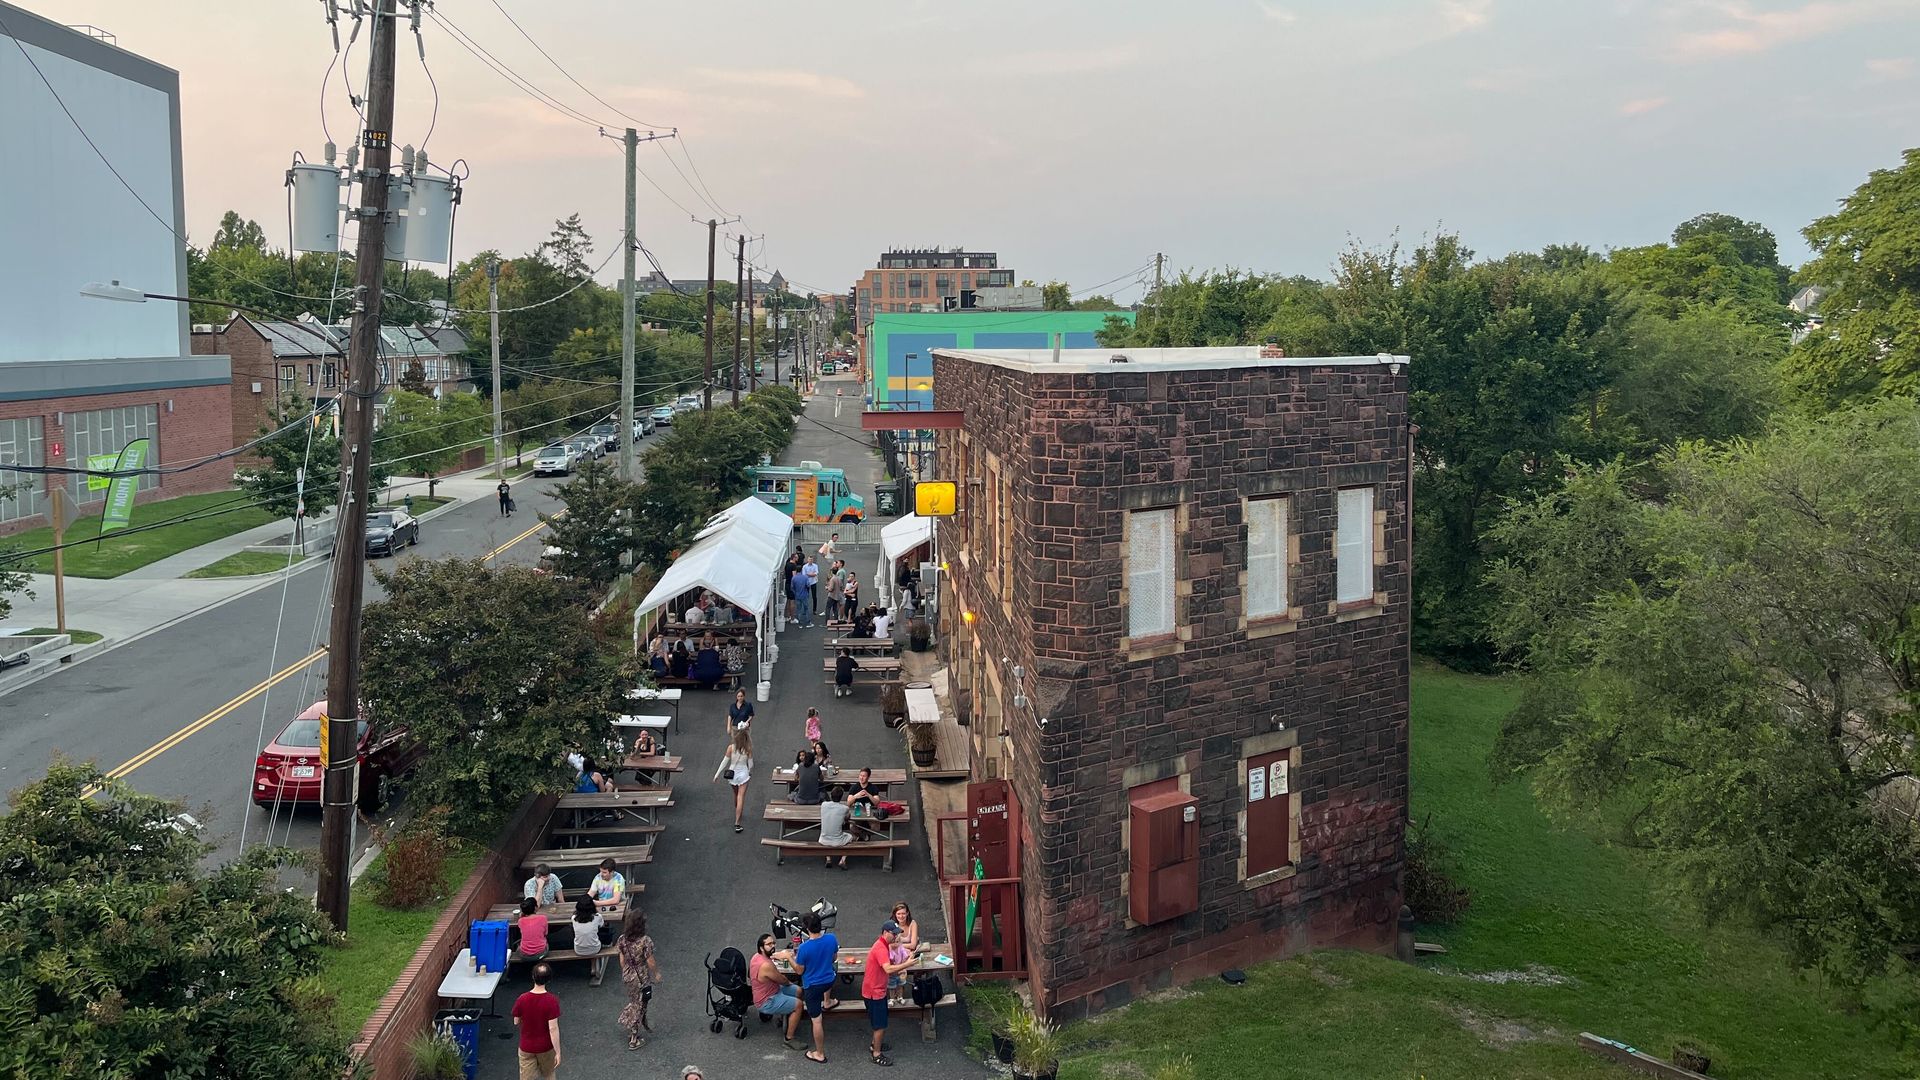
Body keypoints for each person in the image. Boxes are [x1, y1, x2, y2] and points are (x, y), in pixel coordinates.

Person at [791, 912, 841, 1064]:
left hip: (812, 987)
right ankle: (827, 1001)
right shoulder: (831, 938)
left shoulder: (804, 948)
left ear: (806, 928)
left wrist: (787, 957)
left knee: (817, 1021)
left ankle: (819, 1053)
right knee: (831, 974)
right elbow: (834, 958)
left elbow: (799, 971)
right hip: (829, 980)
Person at [864, 921, 916, 1066]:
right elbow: (888, 969)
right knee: (879, 1025)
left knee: (879, 1022)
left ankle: (875, 1044)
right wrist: (907, 965)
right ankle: (876, 1054)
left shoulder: (884, 945)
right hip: (874, 992)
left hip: (876, 990)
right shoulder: (880, 948)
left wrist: (902, 965)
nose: (895, 936)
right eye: (893, 934)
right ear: (885, 933)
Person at [615, 909, 661, 1051]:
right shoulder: (645, 941)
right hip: (641, 976)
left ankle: (637, 1024)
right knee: (639, 1004)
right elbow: (650, 961)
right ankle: (633, 1038)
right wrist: (656, 974)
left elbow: (622, 960)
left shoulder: (622, 939)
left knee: (635, 1001)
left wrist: (626, 972)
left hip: (628, 974)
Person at [750, 932, 804, 1045]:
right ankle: (789, 1039)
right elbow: (782, 980)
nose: (773, 946)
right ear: (761, 947)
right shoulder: (766, 965)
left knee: (798, 990)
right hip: (767, 1000)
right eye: (769, 944)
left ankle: (787, 1016)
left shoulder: (756, 956)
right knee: (799, 1005)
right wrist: (789, 982)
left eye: (773, 943)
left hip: (772, 990)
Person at [511, 962, 562, 1078]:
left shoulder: (522, 999)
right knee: (549, 1074)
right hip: (546, 1047)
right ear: (549, 979)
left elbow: (516, 1021)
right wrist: (558, 1052)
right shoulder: (552, 1001)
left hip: (526, 1046)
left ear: (533, 977)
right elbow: (553, 1028)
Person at [713, 727, 753, 833]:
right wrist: (749, 771)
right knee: (741, 796)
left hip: (732, 774)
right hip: (743, 774)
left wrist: (717, 774)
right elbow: (751, 764)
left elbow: (724, 761)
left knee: (736, 794)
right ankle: (737, 821)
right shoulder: (748, 748)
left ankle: (737, 810)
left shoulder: (731, 748)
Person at [887, 902, 921, 1003]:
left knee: (905, 970)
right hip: (895, 955)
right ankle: (893, 995)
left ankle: (901, 994)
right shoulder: (891, 924)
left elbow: (913, 945)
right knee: (893, 971)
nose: (901, 916)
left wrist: (897, 945)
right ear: (895, 914)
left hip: (908, 954)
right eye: (898, 914)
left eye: (903, 913)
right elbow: (888, 943)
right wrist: (901, 946)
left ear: (907, 913)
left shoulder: (912, 924)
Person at [570, 896, 607, 986]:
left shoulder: (574, 918)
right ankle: (594, 966)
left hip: (578, 949)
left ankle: (593, 966)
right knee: (595, 937)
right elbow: (601, 926)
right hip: (595, 948)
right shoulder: (597, 917)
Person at [819, 785, 853, 869]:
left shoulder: (824, 804)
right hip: (837, 841)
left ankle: (828, 859)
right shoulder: (844, 808)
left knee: (825, 834)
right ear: (841, 797)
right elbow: (847, 817)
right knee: (850, 837)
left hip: (823, 839)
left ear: (831, 795)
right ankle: (842, 860)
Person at [514, 896, 550, 963]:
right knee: (546, 943)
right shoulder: (543, 918)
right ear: (535, 908)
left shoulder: (520, 921)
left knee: (518, 945)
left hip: (524, 956)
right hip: (541, 953)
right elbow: (546, 933)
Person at [790, 564, 814, 629]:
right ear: (801, 570)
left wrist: (795, 592)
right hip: (804, 595)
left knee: (799, 609)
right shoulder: (805, 577)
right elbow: (808, 585)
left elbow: (792, 587)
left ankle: (800, 624)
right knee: (806, 609)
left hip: (797, 595)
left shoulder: (794, 578)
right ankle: (808, 622)